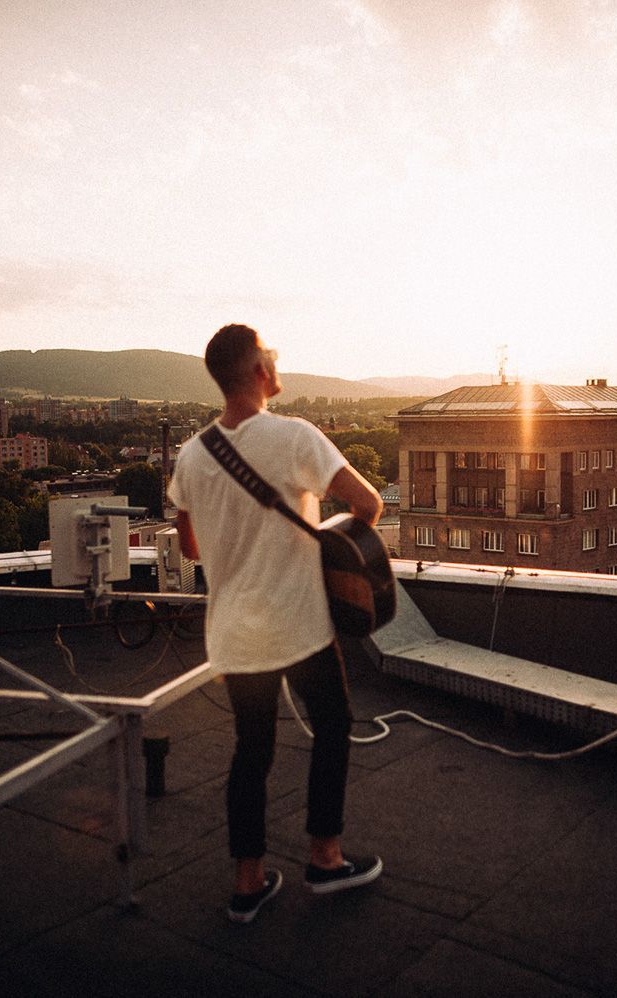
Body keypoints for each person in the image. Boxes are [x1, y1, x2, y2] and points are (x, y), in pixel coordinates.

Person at [167, 323, 385, 924]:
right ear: (259, 371)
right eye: (270, 354)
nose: (276, 359)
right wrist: (328, 546)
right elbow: (368, 504)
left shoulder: (191, 455)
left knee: (251, 752)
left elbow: (190, 549)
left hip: (235, 632)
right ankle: (325, 856)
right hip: (299, 622)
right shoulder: (295, 437)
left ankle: (248, 883)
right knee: (334, 726)